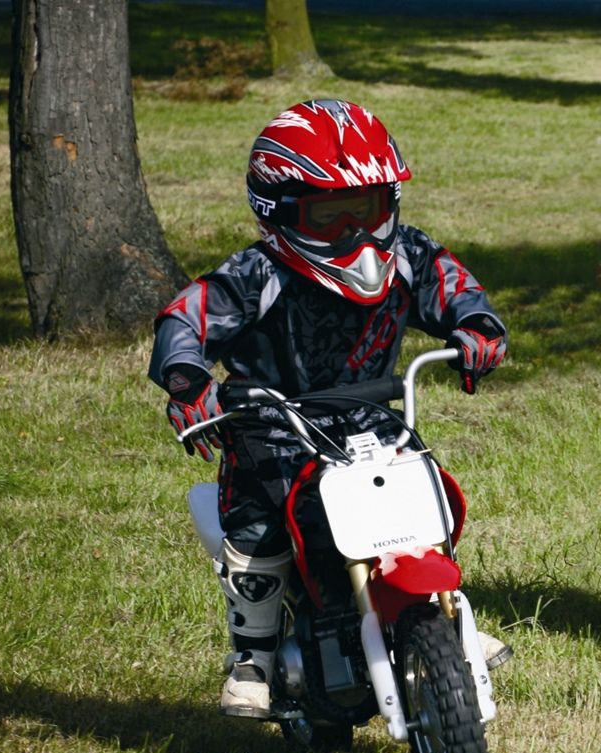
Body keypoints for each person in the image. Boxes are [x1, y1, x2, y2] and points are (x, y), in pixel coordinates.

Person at [149, 99, 511, 719]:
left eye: (367, 210)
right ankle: (253, 656)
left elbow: (454, 289)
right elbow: (188, 318)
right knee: (258, 524)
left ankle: (444, 618)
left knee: (427, 503)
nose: (357, 236)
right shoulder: (258, 273)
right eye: (329, 215)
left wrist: (476, 326)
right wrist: (187, 383)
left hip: (375, 421)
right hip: (273, 428)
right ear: (280, 213)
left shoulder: (410, 256)